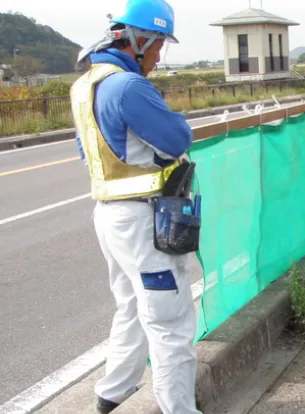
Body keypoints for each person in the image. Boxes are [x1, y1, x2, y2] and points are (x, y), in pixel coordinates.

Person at [69, 0, 200, 413]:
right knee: (170, 321)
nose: (159, 57)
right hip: (143, 222)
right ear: (139, 40)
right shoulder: (129, 86)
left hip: (110, 216)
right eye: (159, 46)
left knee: (131, 304)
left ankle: (113, 392)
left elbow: (85, 150)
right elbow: (178, 138)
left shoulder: (84, 85)